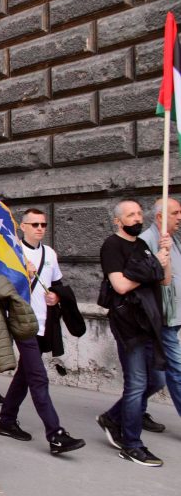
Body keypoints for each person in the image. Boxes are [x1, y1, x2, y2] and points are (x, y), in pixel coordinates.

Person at [0, 208, 86, 454]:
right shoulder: (13, 252)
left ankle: (6, 420)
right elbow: (0, 287)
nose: (40, 228)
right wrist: (22, 274)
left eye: (43, 224)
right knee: (38, 377)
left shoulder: (50, 254)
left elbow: (57, 284)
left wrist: (56, 296)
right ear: (22, 227)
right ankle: (55, 434)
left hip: (43, 323)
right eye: (34, 224)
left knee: (26, 373)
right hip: (21, 321)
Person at [97, 199, 170, 467]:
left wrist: (164, 258)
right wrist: (152, 268)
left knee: (157, 380)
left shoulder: (141, 245)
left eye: (139, 213)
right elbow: (120, 285)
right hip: (129, 325)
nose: (137, 218)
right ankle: (132, 444)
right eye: (131, 215)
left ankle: (112, 417)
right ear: (118, 220)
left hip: (150, 322)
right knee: (137, 384)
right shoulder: (112, 246)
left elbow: (164, 280)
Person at [140, 198, 181, 418]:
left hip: (174, 316)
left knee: (154, 374)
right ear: (160, 217)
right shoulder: (147, 241)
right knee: (176, 370)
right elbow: (147, 280)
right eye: (175, 213)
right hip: (163, 317)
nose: (180, 217)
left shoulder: (173, 239)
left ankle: (135, 409)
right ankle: (123, 413)